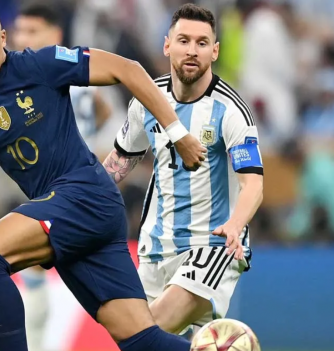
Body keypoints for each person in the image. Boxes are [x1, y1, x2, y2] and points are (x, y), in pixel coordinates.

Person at [0, 3, 206, 351]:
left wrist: (178, 133)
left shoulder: (40, 65)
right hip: (73, 215)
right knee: (143, 342)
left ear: (2, 38)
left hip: (85, 194)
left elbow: (128, 69)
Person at [102, 3, 264, 335]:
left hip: (212, 246)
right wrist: (75, 200)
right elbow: (117, 166)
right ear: (167, 45)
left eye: (202, 43)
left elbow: (253, 185)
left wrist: (235, 224)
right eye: (184, 40)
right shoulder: (147, 101)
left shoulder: (230, 111)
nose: (192, 51)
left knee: (148, 332)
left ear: (215, 51)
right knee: (147, 342)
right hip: (154, 250)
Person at [12, 4, 112, 350]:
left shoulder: (43, 77)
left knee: (26, 267)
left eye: (32, 32)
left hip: (64, 194)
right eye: (20, 32)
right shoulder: (82, 75)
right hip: (82, 191)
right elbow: (105, 109)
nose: (22, 39)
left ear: (55, 36)